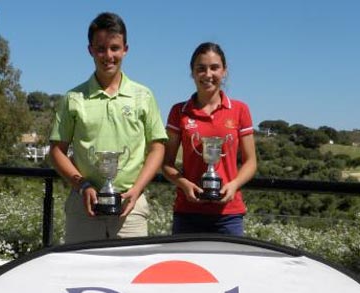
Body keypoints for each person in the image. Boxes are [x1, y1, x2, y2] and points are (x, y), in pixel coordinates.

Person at [49, 12, 167, 244]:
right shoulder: (73, 98)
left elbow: (157, 148)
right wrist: (82, 186)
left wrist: (137, 190)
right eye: (101, 48)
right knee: (80, 276)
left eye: (115, 48)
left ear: (125, 49)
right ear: (90, 50)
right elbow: (56, 151)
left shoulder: (143, 96)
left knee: (130, 276)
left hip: (130, 209)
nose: (108, 55)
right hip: (84, 208)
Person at [162, 42, 257, 236]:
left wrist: (233, 186)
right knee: (185, 267)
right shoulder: (178, 111)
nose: (208, 74)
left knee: (231, 267)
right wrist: (184, 184)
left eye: (214, 68)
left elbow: (251, 162)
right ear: (192, 72)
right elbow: (166, 164)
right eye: (201, 68)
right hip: (187, 212)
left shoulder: (240, 110)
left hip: (228, 214)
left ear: (224, 71)